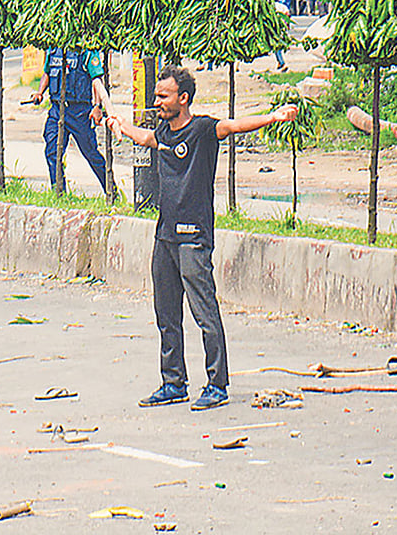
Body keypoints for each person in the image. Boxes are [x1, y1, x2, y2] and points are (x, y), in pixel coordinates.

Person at [107, 66, 297, 411]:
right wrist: (120, 125)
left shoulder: (204, 129)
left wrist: (274, 117)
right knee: (166, 313)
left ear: (184, 98)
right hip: (164, 237)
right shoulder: (163, 132)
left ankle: (217, 384)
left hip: (194, 237)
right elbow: (145, 138)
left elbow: (235, 125)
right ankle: (173, 383)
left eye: (163, 96)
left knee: (204, 312)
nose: (157, 102)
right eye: (156, 96)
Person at [29, 47, 109, 194]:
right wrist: (40, 92)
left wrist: (98, 106)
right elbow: (47, 73)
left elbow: (96, 79)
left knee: (90, 153)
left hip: (79, 111)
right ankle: (59, 193)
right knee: (52, 151)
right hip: (57, 109)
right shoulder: (53, 50)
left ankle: (111, 191)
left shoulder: (86, 51)